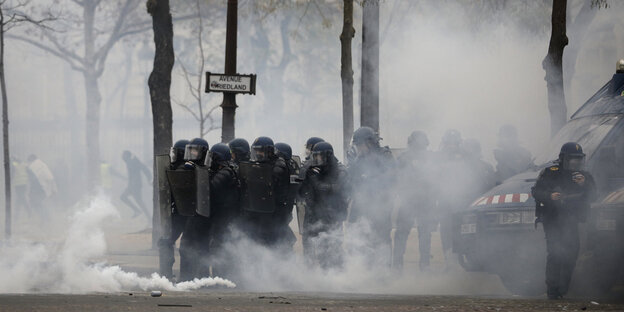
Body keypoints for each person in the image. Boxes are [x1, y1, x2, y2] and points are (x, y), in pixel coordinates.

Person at [531, 142, 596, 299]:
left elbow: (594, 195)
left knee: (572, 253)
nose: (575, 162)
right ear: (563, 158)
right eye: (572, 158)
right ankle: (552, 291)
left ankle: (563, 289)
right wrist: (549, 196)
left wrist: (584, 184)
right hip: (552, 219)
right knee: (555, 253)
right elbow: (536, 191)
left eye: (578, 159)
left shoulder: (584, 176)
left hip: (572, 220)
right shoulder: (551, 172)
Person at [347, 126, 395, 267]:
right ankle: (365, 269)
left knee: (381, 239)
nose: (359, 148)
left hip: (380, 205)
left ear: (369, 143)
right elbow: (352, 181)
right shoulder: (358, 159)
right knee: (360, 237)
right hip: (362, 205)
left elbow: (392, 178)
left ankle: (383, 270)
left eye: (360, 145)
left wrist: (371, 180)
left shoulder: (385, 156)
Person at [237, 136, 293, 251]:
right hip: (261, 211)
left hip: (275, 213)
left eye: (260, 151)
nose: (258, 154)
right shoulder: (261, 164)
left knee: (274, 246)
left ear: (269, 152)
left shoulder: (278, 165)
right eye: (256, 151)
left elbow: (270, 184)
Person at [299, 142, 348, 270]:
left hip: (332, 216)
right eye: (315, 157)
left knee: (331, 248)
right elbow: (302, 193)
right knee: (311, 246)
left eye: (320, 157)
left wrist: (315, 180)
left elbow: (334, 189)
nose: (317, 160)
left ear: (328, 156)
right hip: (315, 215)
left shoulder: (340, 171)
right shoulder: (314, 171)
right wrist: (305, 177)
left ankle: (338, 276)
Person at [393, 131, 436, 271]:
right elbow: (397, 178)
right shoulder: (406, 158)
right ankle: (420, 265)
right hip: (413, 201)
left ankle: (401, 265)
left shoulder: (408, 157)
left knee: (418, 234)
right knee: (414, 234)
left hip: (421, 201)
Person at [434, 129, 472, 266]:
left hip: (460, 200)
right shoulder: (438, 157)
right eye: (448, 143)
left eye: (454, 143)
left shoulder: (466, 156)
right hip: (444, 201)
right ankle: (449, 261)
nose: (451, 145)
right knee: (445, 231)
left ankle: (461, 261)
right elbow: (433, 178)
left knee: (461, 231)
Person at [205, 143, 240, 279]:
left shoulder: (225, 172)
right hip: (221, 215)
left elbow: (212, 187)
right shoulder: (222, 170)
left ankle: (221, 277)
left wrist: (204, 175)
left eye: (212, 157)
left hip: (225, 217)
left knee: (219, 247)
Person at [178, 137, 210, 281]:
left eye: (195, 150)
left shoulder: (208, 168)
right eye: (190, 150)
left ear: (203, 152)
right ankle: (189, 277)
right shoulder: (186, 166)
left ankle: (199, 277)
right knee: (187, 246)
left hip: (204, 214)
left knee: (200, 247)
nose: (192, 153)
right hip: (192, 213)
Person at [158, 139, 190, 279]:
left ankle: (167, 275)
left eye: (176, 152)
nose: (174, 155)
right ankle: (168, 274)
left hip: (183, 214)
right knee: (167, 241)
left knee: (167, 242)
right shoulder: (179, 167)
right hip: (181, 213)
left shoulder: (183, 169)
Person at [120, 150, 151, 220]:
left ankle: (148, 218)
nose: (122, 157)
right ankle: (137, 211)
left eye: (123, 156)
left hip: (136, 185)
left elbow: (144, 168)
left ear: (127, 156)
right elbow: (131, 176)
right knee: (123, 197)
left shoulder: (134, 161)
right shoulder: (129, 162)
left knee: (139, 201)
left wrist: (149, 179)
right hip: (132, 185)